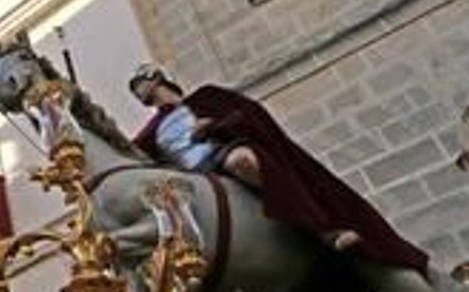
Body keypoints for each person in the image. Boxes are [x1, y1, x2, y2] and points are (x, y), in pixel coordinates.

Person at [127, 64, 426, 272]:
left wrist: (214, 126)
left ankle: (323, 230)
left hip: (222, 153)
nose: (138, 91)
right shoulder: (152, 130)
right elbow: (131, 152)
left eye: (140, 83)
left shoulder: (205, 98)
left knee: (242, 161)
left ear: (156, 78)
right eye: (134, 90)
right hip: (198, 181)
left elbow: (248, 116)